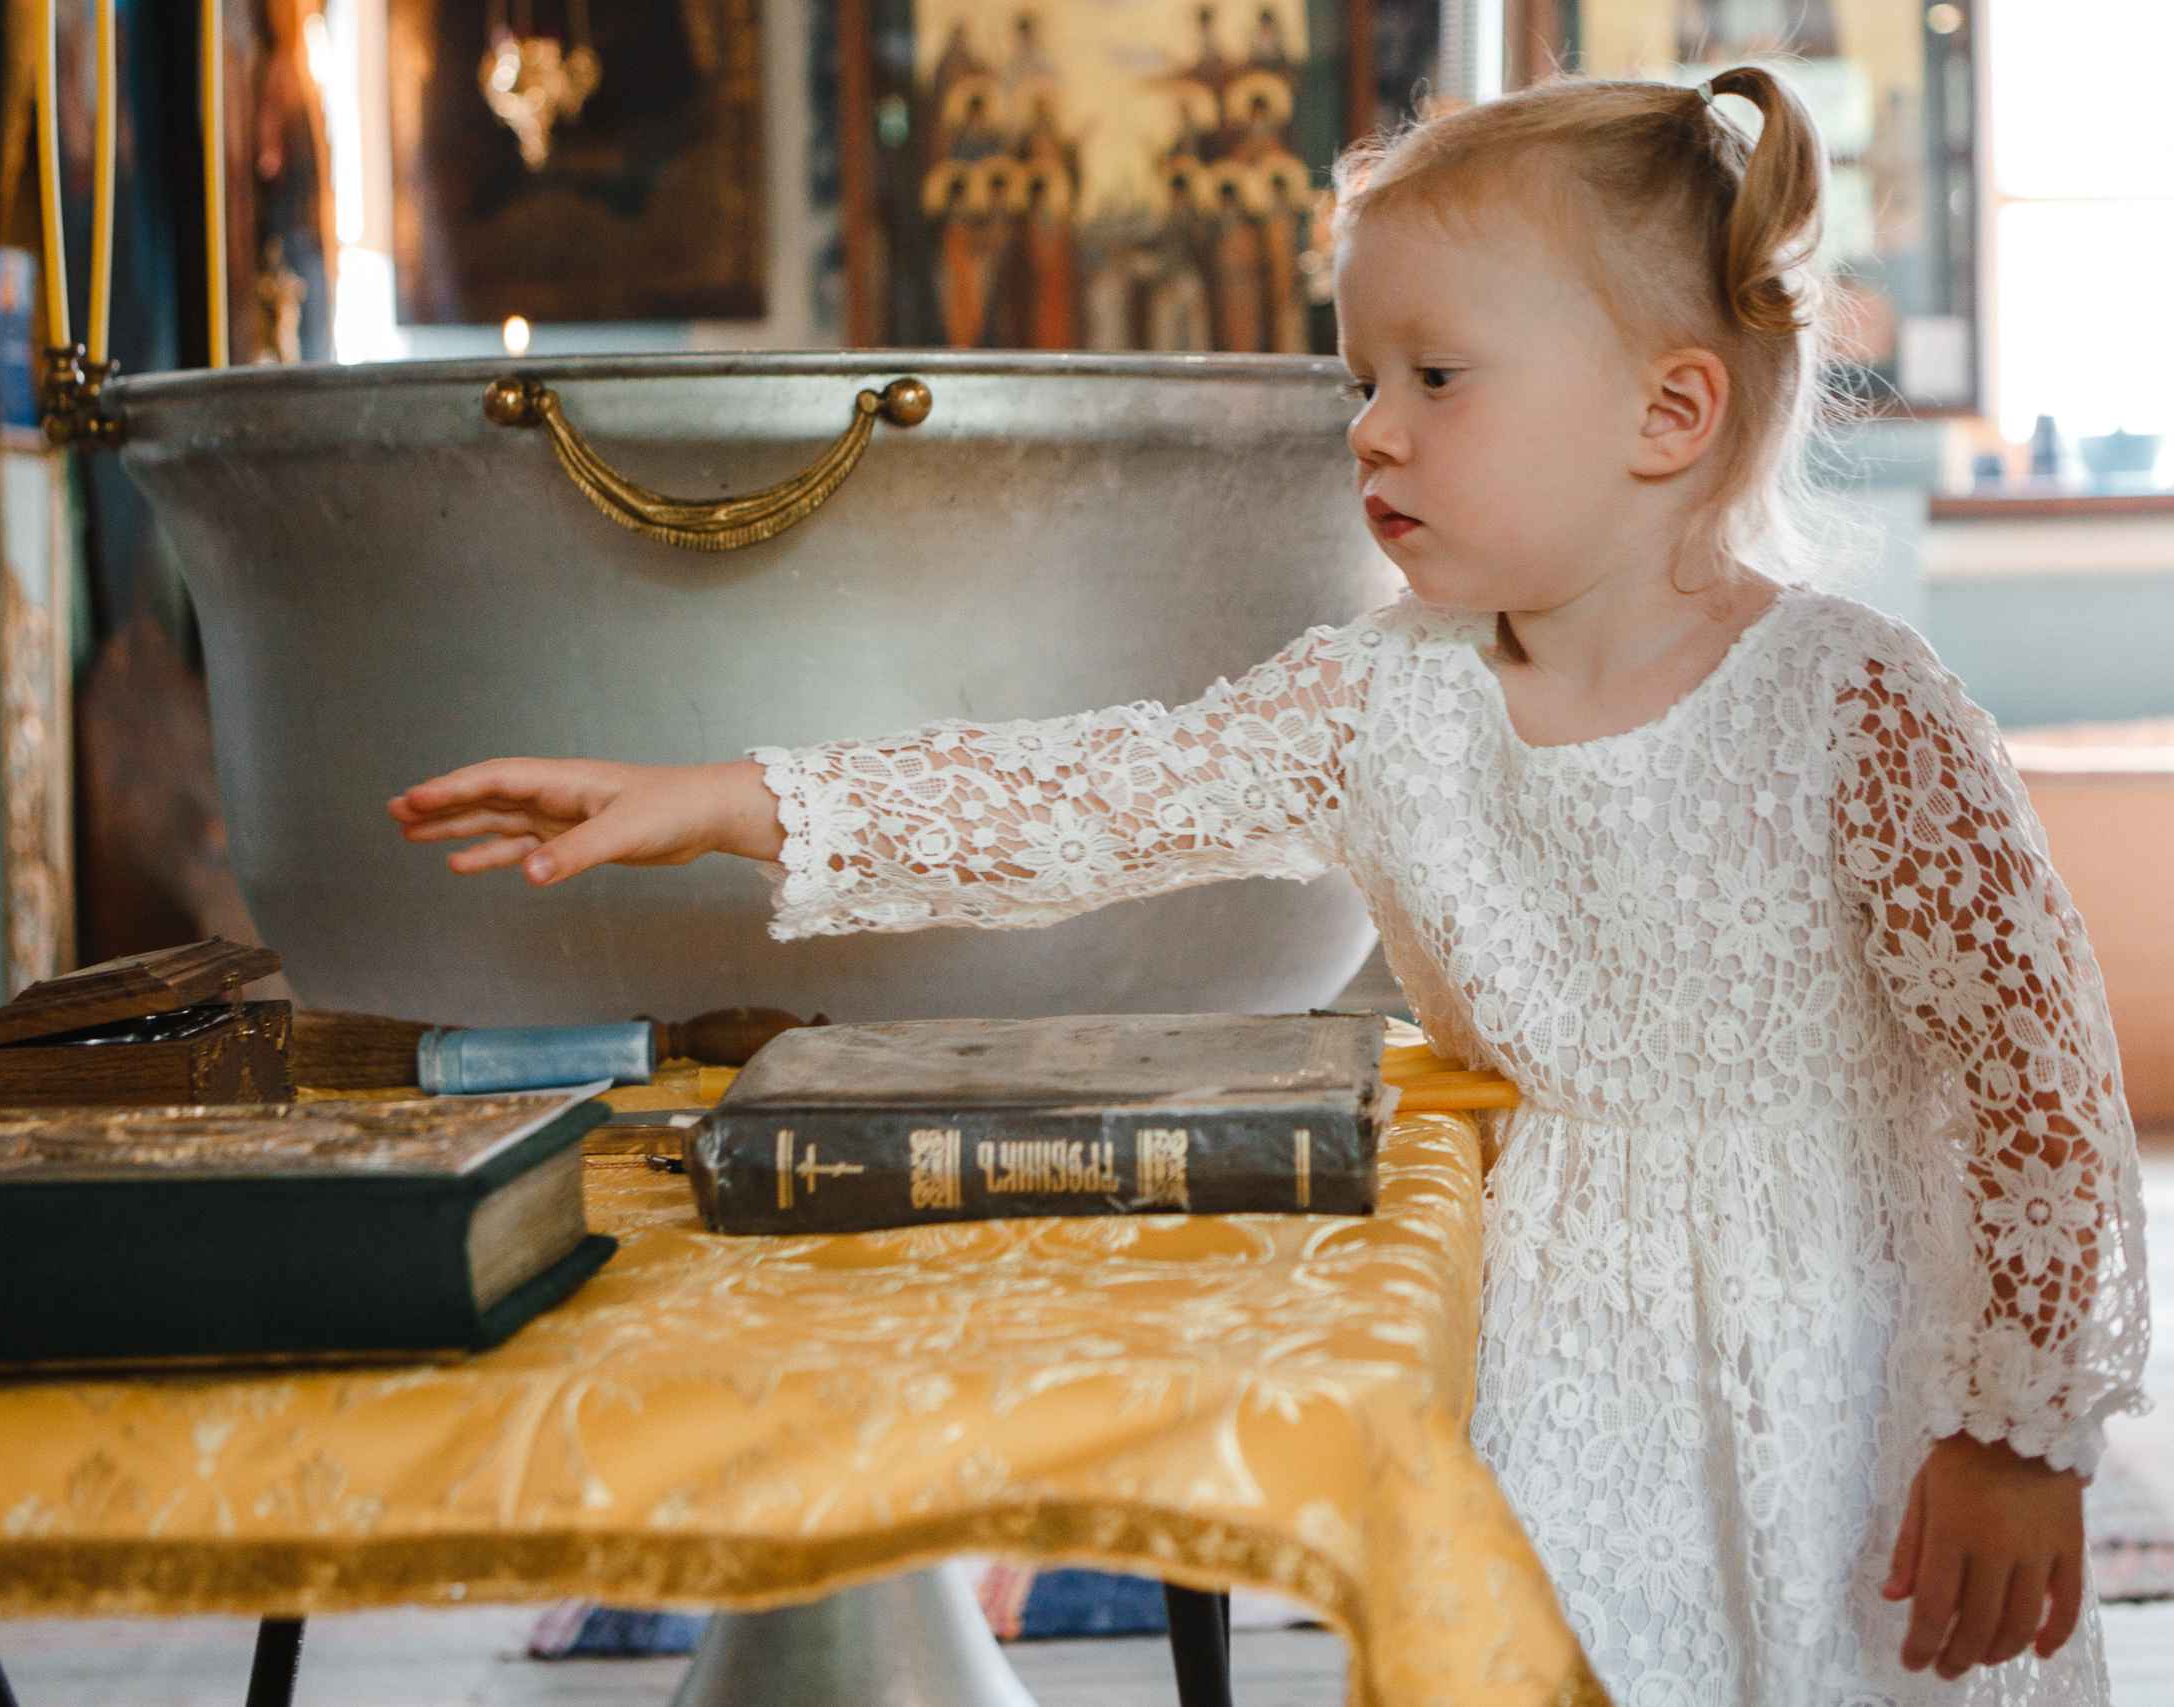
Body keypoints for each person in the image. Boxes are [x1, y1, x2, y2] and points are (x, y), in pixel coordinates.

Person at [388, 70, 2145, 1704]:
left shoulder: (1857, 707)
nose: (1371, 433)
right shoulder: (1386, 698)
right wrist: (720, 797)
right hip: (1536, 1345)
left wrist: (2020, 1430)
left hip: (1840, 1357)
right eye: (1358, 381)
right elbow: (1089, 792)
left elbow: (2038, 1093)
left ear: (1669, 411)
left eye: (1433, 380)